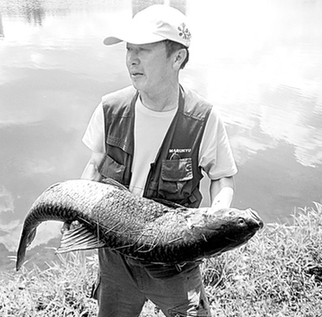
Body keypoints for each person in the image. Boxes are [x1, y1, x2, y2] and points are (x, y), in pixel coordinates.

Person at [80, 4, 237, 317]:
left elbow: (222, 177)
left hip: (175, 262)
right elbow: (95, 165)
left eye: (144, 50)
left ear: (177, 57)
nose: (132, 60)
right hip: (115, 258)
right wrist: (80, 203)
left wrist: (218, 213)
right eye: (129, 49)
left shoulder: (203, 118)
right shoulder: (109, 108)